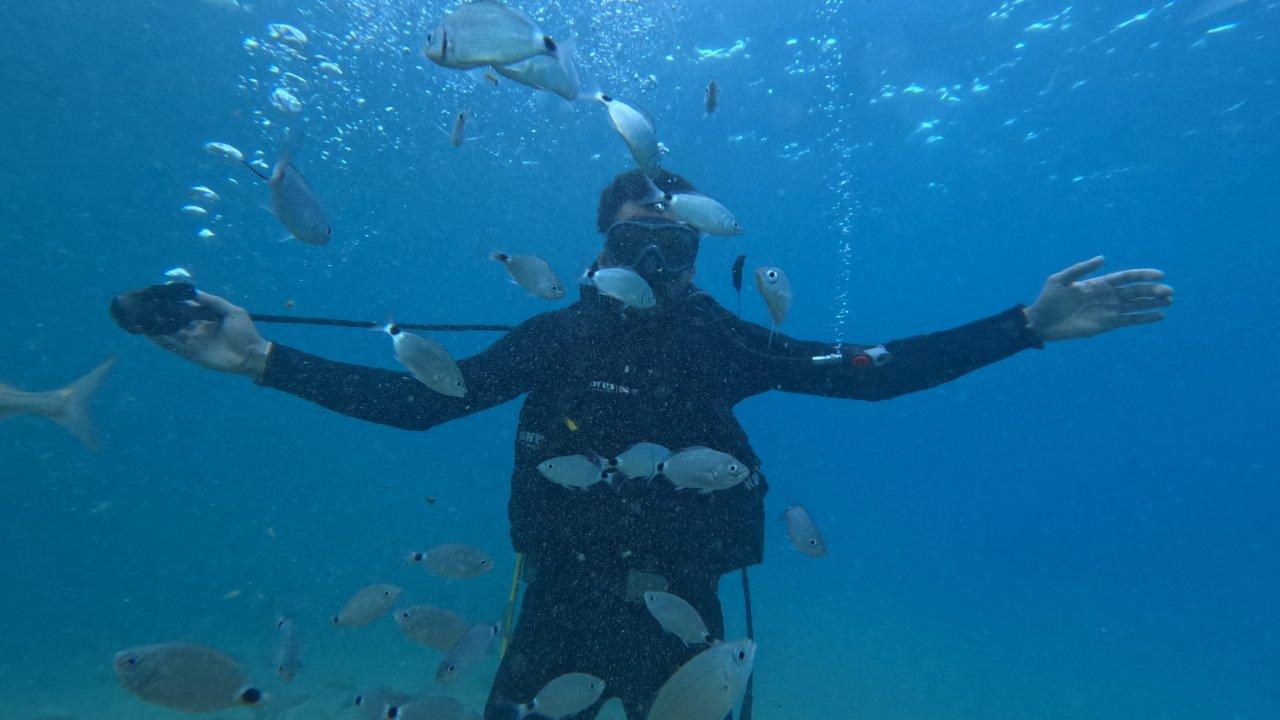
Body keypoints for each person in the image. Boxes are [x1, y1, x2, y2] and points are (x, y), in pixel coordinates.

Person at [135, 168, 1174, 719]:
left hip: (687, 587)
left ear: (696, 247)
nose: (653, 244)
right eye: (634, 230)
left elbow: (870, 375)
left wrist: (1023, 326)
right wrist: (259, 358)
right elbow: (424, 404)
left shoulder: (719, 335)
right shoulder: (557, 330)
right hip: (556, 591)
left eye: (671, 234)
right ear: (599, 247)